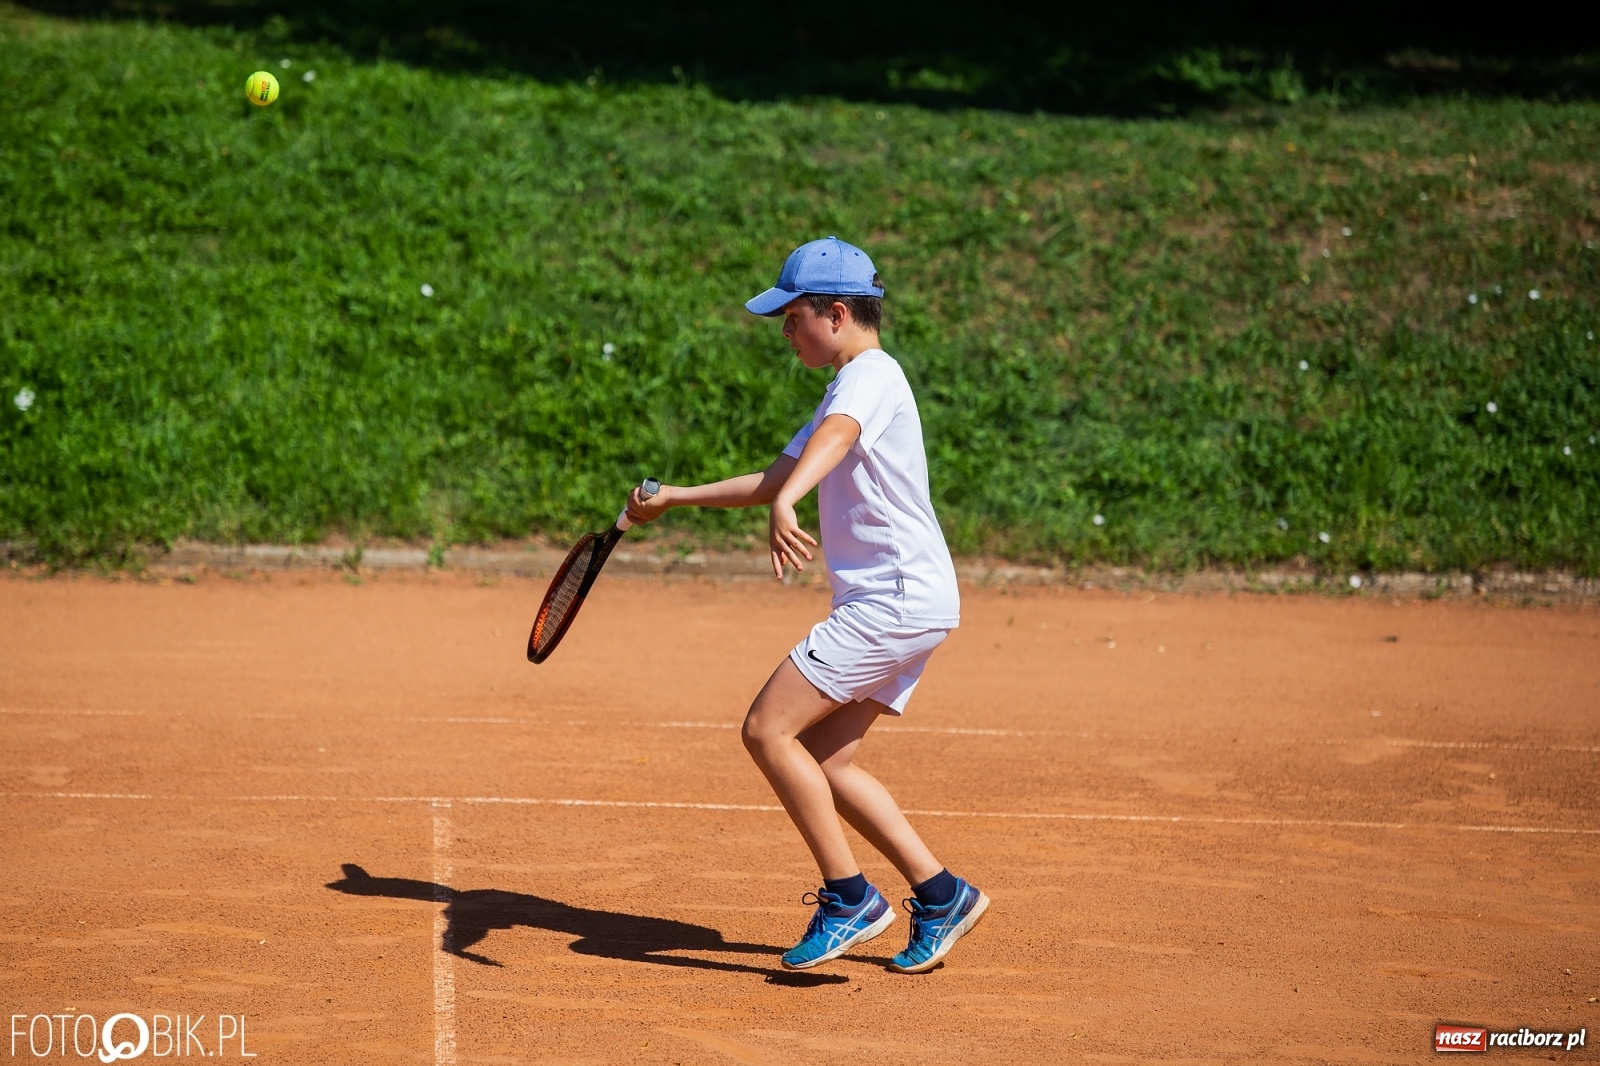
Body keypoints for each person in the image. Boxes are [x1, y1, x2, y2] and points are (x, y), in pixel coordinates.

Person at [624, 236, 986, 974]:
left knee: (767, 730)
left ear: (838, 313)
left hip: (891, 600)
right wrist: (679, 499)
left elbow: (832, 444)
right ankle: (942, 894)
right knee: (829, 759)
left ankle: (850, 896)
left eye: (793, 317)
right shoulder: (846, 386)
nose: (785, 331)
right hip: (913, 598)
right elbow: (778, 474)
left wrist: (791, 498)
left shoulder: (871, 378)